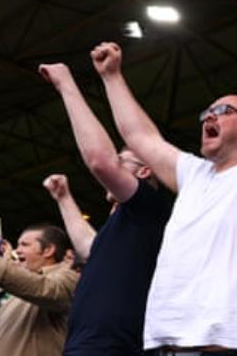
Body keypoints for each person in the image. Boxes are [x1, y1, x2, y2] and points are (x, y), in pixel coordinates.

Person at [93, 0, 237, 356]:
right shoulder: (194, 174)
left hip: (229, 349)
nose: (210, 115)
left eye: (223, 111)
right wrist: (112, 78)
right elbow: (139, 136)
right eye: (206, 112)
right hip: (163, 348)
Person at [39, 60, 171, 356]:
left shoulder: (149, 208)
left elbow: (101, 161)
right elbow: (89, 246)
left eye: (123, 162)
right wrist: (64, 199)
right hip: (86, 346)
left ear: (145, 171)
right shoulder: (123, 224)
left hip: (112, 349)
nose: (116, 168)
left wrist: (66, 85)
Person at [0, 225, 77, 356]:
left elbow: (50, 290)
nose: (17, 250)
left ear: (48, 250)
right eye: (18, 245)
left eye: (24, 245)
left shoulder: (69, 277)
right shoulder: (11, 279)